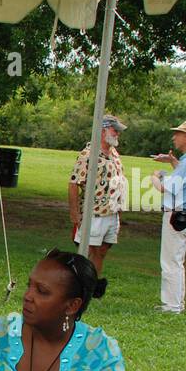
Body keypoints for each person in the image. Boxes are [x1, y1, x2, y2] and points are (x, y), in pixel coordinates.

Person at [150, 120, 186, 314]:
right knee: (177, 261)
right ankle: (176, 303)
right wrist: (173, 162)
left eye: (178, 134)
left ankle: (171, 306)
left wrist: (154, 176)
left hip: (176, 215)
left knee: (170, 262)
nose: (174, 137)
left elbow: (168, 187)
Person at [68, 114, 127, 276]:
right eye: (114, 130)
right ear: (102, 131)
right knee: (88, 252)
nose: (117, 134)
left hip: (112, 214)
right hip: (94, 214)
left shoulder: (114, 153)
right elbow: (74, 183)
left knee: (101, 252)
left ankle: (92, 284)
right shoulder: (88, 155)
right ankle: (80, 285)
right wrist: (74, 214)